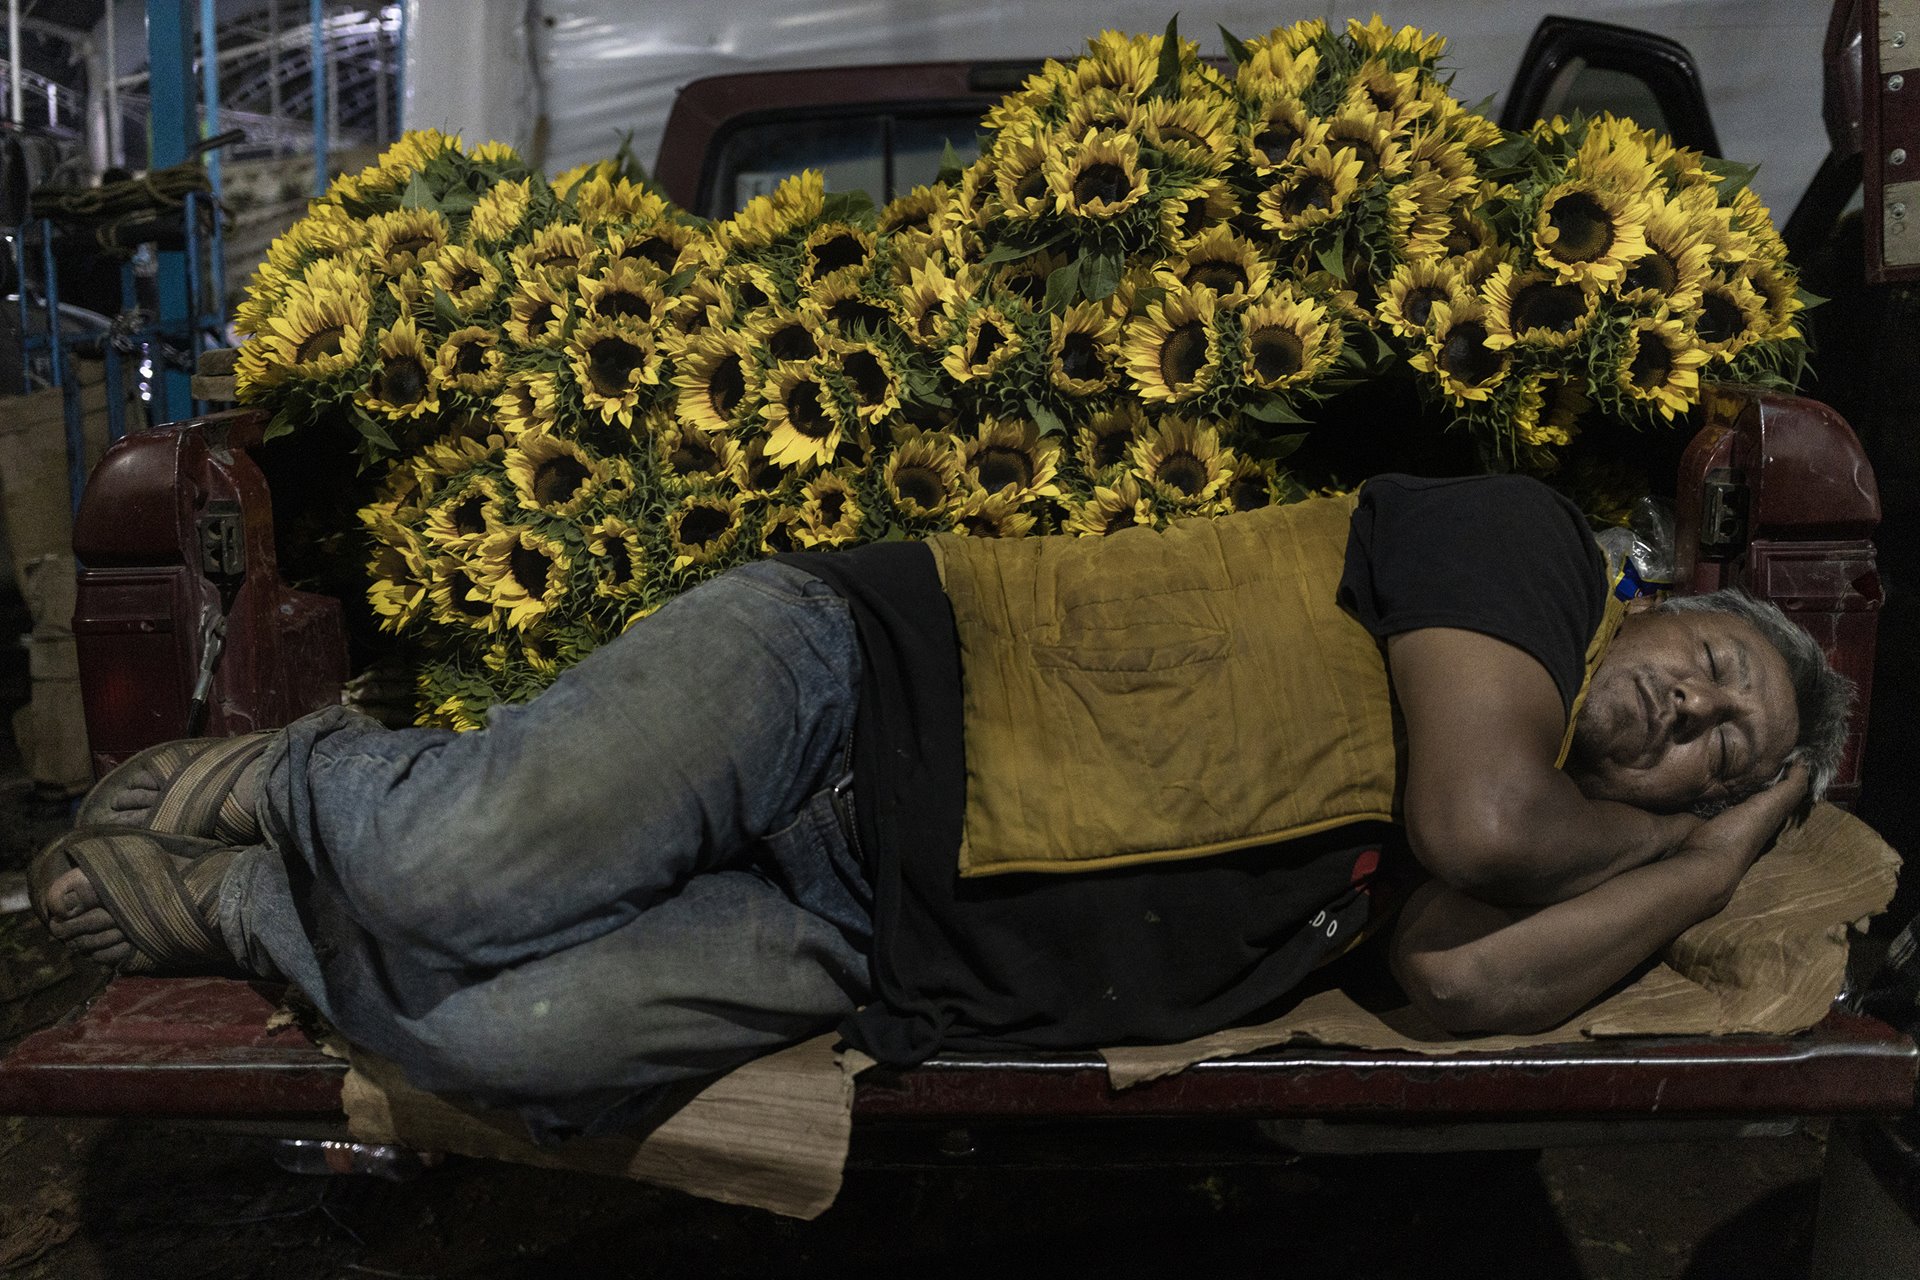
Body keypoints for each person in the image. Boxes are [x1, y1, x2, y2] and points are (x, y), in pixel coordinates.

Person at [30, 474, 1851, 1138]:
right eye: (1714, 669)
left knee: (508, 1038)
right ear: (1668, 599)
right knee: (446, 869)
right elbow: (1481, 829)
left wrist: (1707, 872)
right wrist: (1709, 832)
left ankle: (243, 907)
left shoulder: (1563, 832)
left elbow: (1462, 984)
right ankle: (310, 768)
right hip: (854, 681)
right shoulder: (1516, 551)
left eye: (1720, 745)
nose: (1691, 713)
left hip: (878, 933)